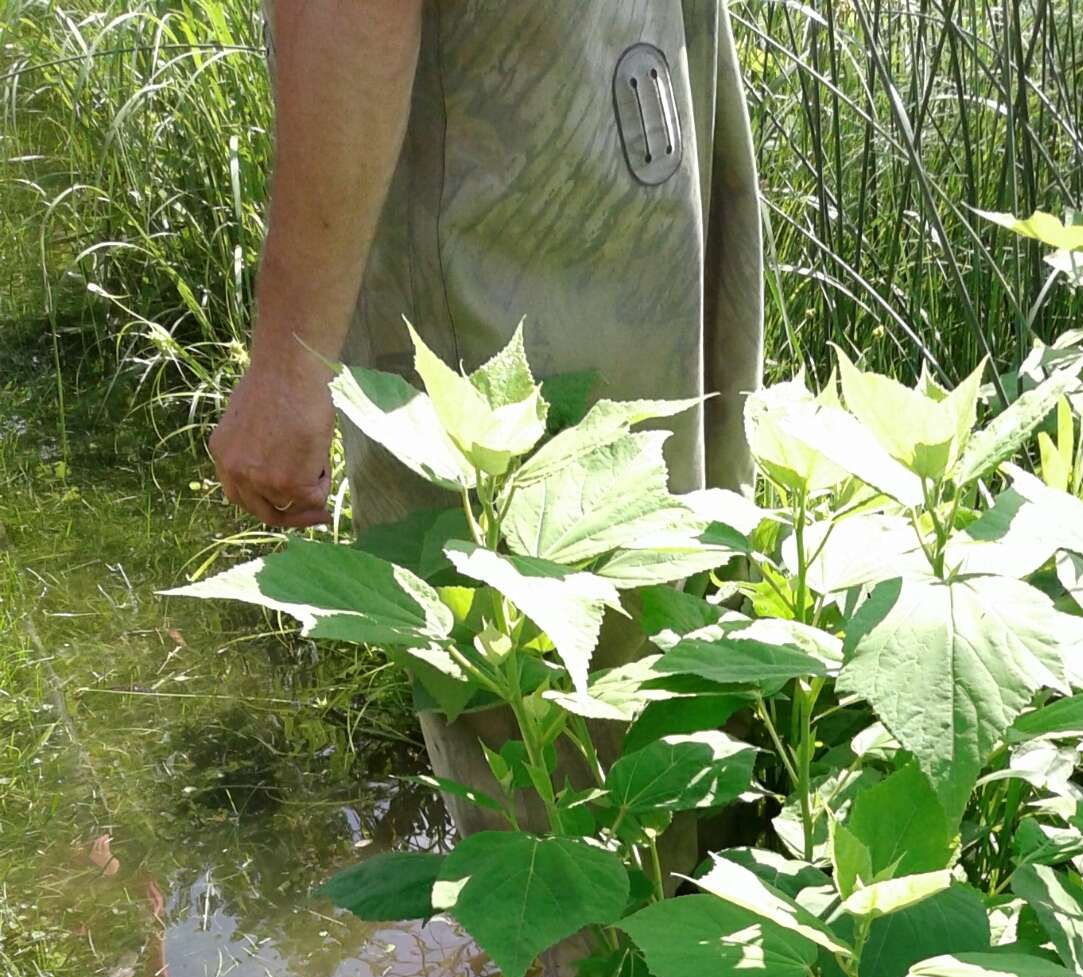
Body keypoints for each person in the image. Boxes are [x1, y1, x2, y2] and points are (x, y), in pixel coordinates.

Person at [209, 0, 763, 843]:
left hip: (498, 184)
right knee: (673, 605)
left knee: (548, 726)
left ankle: (604, 957)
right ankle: (693, 930)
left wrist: (289, 365)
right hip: (630, 98)